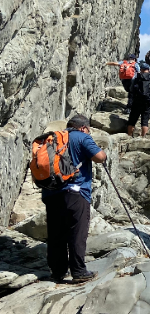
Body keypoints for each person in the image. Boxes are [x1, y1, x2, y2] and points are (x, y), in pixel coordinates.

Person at [41, 113, 107, 284]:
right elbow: (99, 157)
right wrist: (104, 155)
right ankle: (78, 271)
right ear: (84, 127)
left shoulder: (53, 139)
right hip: (76, 192)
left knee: (56, 234)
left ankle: (57, 272)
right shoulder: (82, 137)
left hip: (51, 193)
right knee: (77, 232)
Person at [127, 61, 150, 137]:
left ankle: (129, 136)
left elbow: (131, 89)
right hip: (147, 102)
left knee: (132, 120)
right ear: (148, 69)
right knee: (144, 121)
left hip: (136, 101)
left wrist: (130, 101)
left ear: (141, 69)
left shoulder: (136, 77)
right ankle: (143, 138)